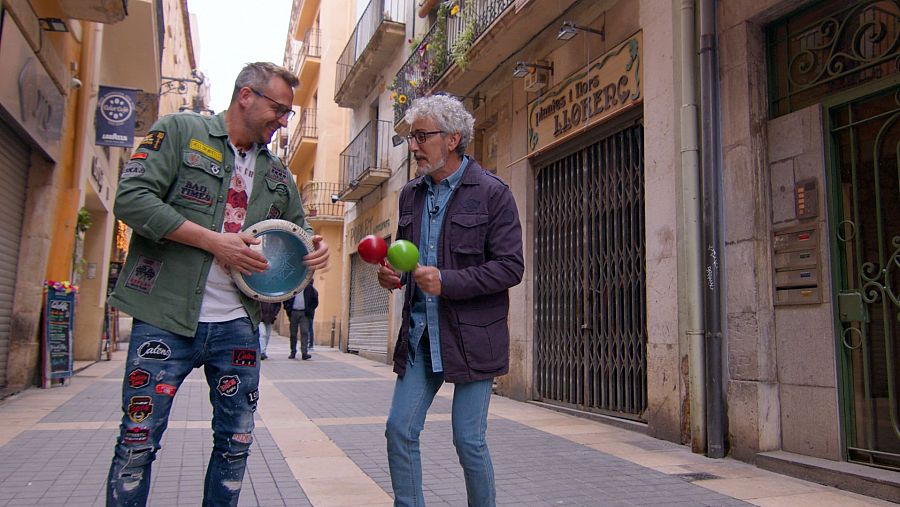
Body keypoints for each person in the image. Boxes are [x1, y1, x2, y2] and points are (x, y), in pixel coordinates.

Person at [105, 62, 329, 506]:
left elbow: (297, 230)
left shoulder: (278, 175)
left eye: (288, 113)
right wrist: (213, 242)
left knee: (235, 444)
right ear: (246, 95)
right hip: (164, 317)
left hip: (237, 324)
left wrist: (314, 246)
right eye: (279, 109)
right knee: (137, 443)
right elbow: (131, 199)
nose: (284, 122)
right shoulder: (179, 132)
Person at [377, 94, 524, 507]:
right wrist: (392, 275)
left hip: (473, 338)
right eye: (411, 137)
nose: (414, 146)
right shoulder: (410, 194)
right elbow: (404, 258)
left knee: (468, 439)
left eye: (422, 136)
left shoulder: (493, 193)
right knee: (399, 430)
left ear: (453, 138)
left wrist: (448, 281)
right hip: (421, 336)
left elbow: (511, 268)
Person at [282, 282, 317, 359]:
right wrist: (288, 309)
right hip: (293, 312)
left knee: (304, 332)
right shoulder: (293, 286)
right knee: (293, 334)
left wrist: (310, 310)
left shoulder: (309, 288)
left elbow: (315, 300)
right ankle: (293, 351)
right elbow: (286, 298)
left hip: (304, 313)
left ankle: (304, 352)